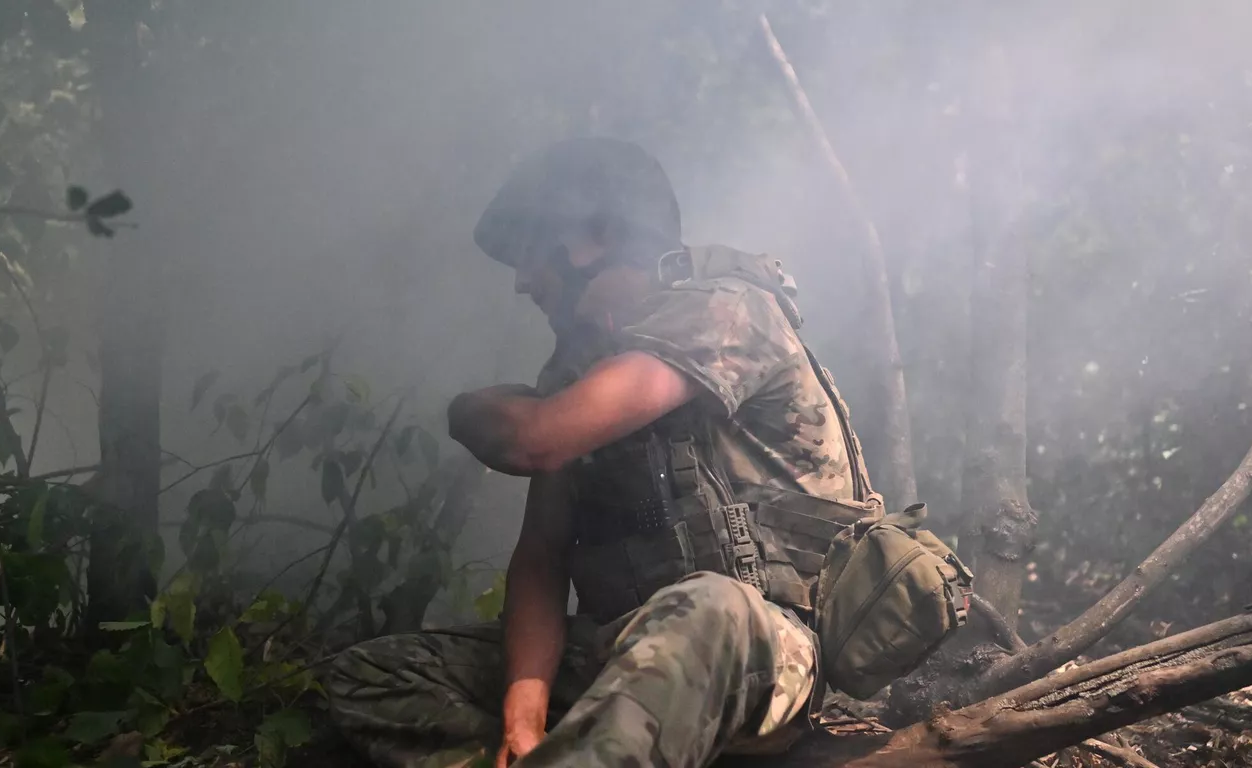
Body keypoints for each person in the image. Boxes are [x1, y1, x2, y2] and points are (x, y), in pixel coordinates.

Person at [323, 137, 884, 768]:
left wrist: (466, 410)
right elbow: (543, 553)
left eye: (532, 252)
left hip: (760, 652)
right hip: (626, 658)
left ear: (594, 238)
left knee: (708, 606)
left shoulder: (726, 311)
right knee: (373, 676)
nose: (522, 282)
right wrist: (523, 712)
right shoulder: (579, 371)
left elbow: (536, 439)